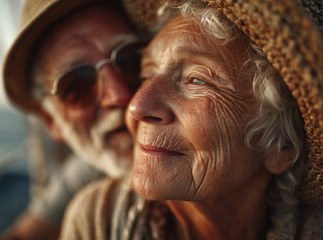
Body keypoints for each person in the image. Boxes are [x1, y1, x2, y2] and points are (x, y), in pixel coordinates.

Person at [61, 0, 323, 239]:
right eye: (145, 75)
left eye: (196, 80)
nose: (137, 106)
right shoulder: (97, 219)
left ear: (281, 146)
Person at [0, 0, 146, 239]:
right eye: (77, 85)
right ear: (51, 121)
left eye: (130, 60)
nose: (119, 94)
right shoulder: (87, 173)